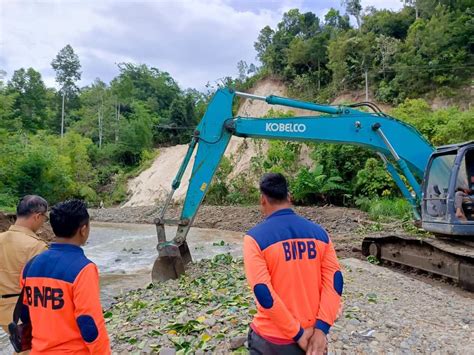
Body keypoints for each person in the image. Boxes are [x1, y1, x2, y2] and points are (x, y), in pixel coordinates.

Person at [243, 173, 343, 355]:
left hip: (272, 340)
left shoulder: (254, 239)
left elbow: (264, 293)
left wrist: (297, 334)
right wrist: (321, 330)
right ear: (289, 197)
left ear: (263, 200)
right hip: (314, 339)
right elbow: (335, 284)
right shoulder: (320, 234)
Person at [20, 199, 110, 354]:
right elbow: (89, 323)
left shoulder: (30, 265)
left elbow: (25, 313)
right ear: (83, 229)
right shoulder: (84, 269)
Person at [0, 195, 49, 354]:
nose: (43, 222)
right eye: (44, 218)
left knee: (20, 346)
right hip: (22, 313)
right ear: (37, 216)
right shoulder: (37, 247)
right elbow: (44, 289)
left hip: (3, 311)